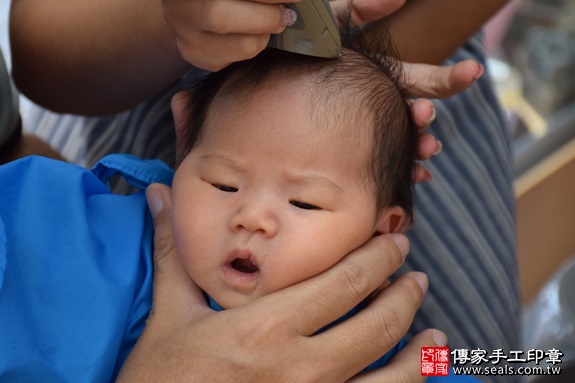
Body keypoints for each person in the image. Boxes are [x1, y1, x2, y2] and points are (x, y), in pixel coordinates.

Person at [9, 1, 520, 382]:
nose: (251, 216)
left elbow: (459, 362)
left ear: (381, 229)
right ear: (183, 147)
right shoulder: (93, 244)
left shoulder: (392, 341)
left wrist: (536, 361)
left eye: (304, 202)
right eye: (222, 183)